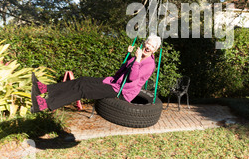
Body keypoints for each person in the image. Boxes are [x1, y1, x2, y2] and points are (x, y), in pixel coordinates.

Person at [30, 34, 161, 113]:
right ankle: (43, 88)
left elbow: (132, 78)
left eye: (151, 46)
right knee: (82, 80)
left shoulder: (149, 64)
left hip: (122, 92)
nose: (148, 47)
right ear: (144, 43)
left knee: (83, 89)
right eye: (147, 43)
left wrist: (137, 59)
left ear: (155, 50)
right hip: (113, 82)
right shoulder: (137, 57)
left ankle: (44, 104)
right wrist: (128, 56)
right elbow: (120, 72)